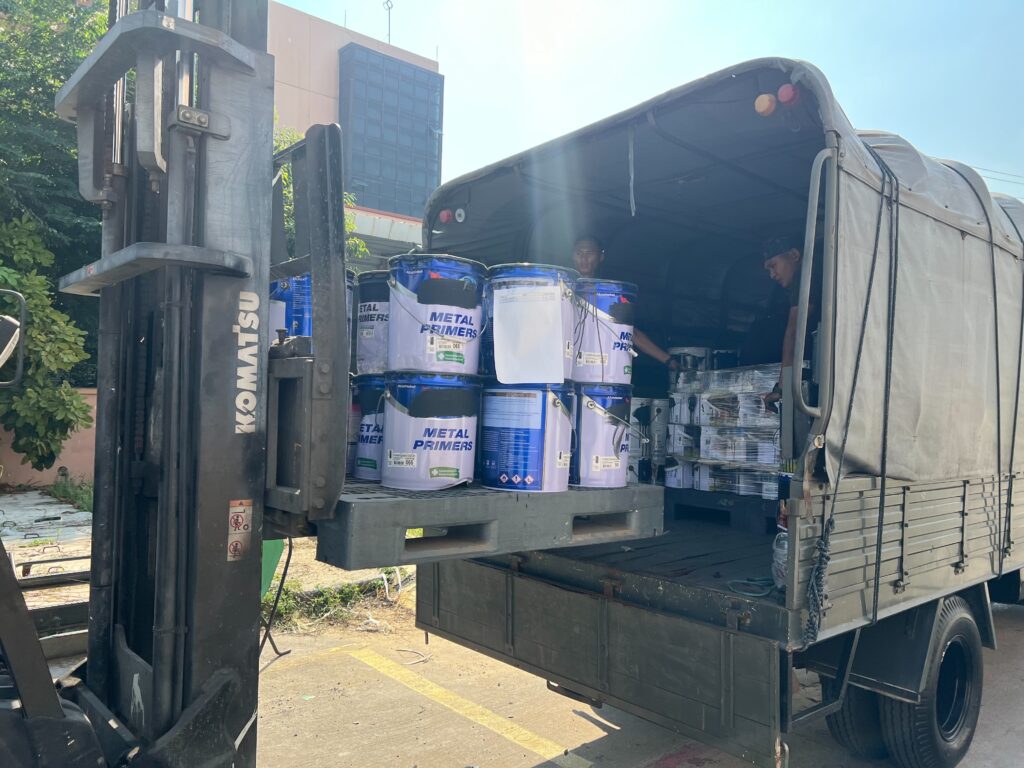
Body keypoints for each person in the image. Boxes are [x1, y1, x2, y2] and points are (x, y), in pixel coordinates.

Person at [571, 236, 678, 370]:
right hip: (566, 364)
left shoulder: (609, 295)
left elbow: (630, 333)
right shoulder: (563, 287)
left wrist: (668, 360)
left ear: (601, 257)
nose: (584, 258)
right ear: (573, 256)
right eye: (579, 253)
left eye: (589, 253)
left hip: (596, 366)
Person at [761, 234, 819, 405]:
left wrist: (782, 388)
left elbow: (794, 332)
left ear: (794, 255)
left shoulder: (805, 277)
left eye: (773, 266)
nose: (772, 275)